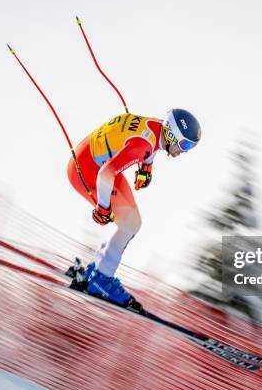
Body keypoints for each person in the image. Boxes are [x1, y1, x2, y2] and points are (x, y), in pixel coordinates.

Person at [67, 108, 201, 307]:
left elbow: (150, 146)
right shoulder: (143, 145)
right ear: (172, 134)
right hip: (87, 169)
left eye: (190, 146)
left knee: (133, 222)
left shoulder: (157, 129)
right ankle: (101, 278)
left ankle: (97, 269)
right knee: (128, 224)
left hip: (100, 161)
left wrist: (145, 168)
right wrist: (103, 207)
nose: (184, 151)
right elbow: (106, 174)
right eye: (185, 144)